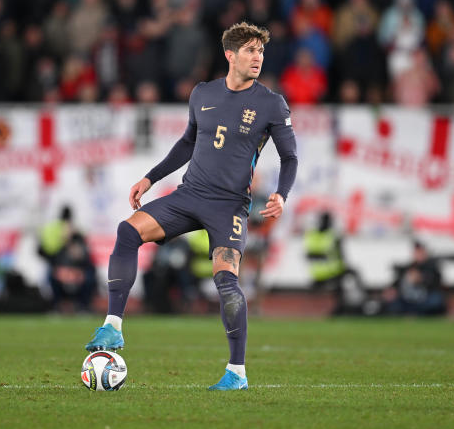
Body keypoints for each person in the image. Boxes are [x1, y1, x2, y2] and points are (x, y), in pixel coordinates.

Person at [83, 21, 298, 391]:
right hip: (189, 195)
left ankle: (237, 373)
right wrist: (149, 178)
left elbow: (290, 157)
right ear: (229, 55)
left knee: (226, 279)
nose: (257, 57)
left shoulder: (271, 103)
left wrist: (282, 193)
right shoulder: (202, 93)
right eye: (250, 50)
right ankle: (113, 327)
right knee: (127, 231)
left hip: (229, 206)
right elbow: (186, 143)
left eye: (260, 51)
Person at [380, 241, 447, 316]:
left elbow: (436, 283)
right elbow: (397, 283)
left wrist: (422, 279)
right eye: (416, 252)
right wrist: (391, 290)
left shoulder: (432, 267)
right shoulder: (409, 268)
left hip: (425, 298)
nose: (418, 255)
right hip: (407, 299)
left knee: (435, 300)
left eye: (420, 252)